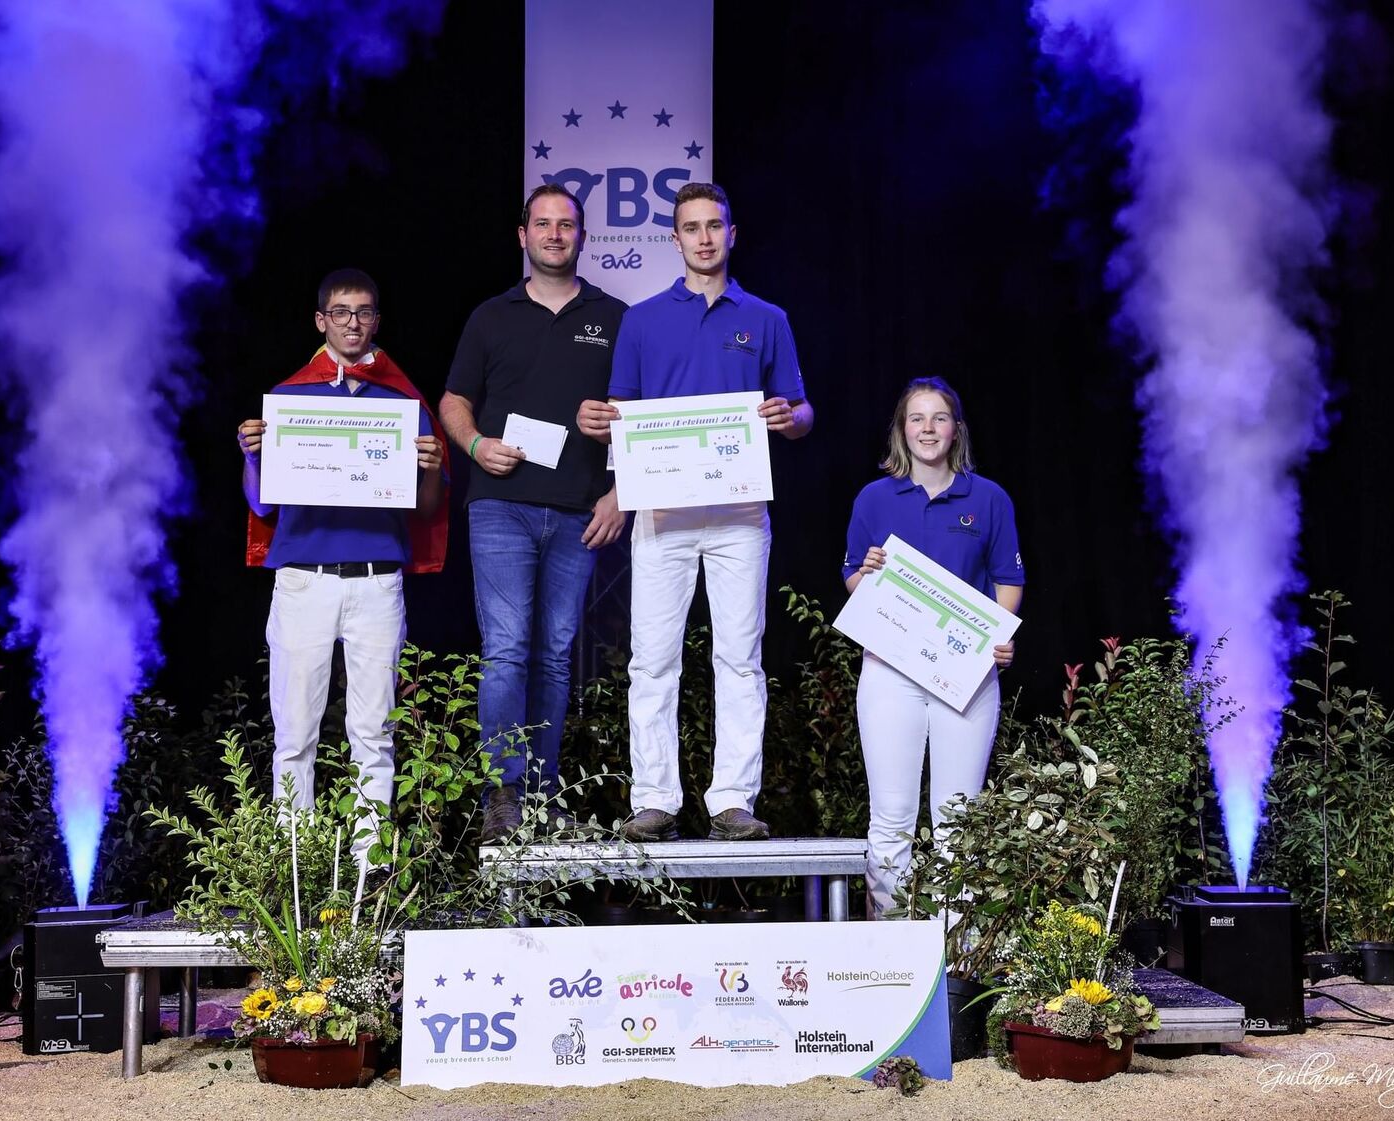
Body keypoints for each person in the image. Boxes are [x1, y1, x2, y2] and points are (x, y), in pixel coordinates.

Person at [577, 182, 813, 842]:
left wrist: (788, 416)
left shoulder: (766, 317)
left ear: (732, 234)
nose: (704, 237)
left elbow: (802, 410)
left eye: (715, 225)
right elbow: (619, 413)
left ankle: (733, 799)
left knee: (740, 657)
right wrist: (600, 424)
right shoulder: (643, 319)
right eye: (691, 227)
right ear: (674, 238)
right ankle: (655, 797)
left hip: (740, 510)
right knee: (652, 659)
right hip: (663, 512)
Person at [238, 268, 448, 862]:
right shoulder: (288, 398)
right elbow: (262, 504)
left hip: (377, 582)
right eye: (341, 312)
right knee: (294, 738)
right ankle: (291, 867)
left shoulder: (401, 403)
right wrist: (252, 455)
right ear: (321, 321)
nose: (353, 323)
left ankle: (368, 866)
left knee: (374, 736)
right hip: (304, 581)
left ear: (377, 320)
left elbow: (426, 509)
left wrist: (430, 466)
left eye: (364, 312)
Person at [438, 184, 627, 841]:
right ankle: (504, 794)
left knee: (553, 655)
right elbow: (453, 401)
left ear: (582, 236)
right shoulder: (491, 316)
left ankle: (542, 798)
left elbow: (640, 416)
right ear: (522, 236)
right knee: (509, 649)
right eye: (541, 224)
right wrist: (475, 444)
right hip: (502, 507)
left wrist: (619, 490)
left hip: (579, 511)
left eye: (565, 224)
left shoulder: (616, 315)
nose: (553, 234)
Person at [843, 376, 1024, 915]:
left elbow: (1007, 581)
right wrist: (867, 575)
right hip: (889, 673)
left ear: (956, 429)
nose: (928, 428)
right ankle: (891, 944)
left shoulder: (988, 498)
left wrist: (996, 636)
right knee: (892, 818)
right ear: (902, 429)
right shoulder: (874, 498)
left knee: (957, 823)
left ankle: (954, 953)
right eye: (916, 418)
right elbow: (853, 575)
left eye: (939, 418)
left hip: (964, 678)